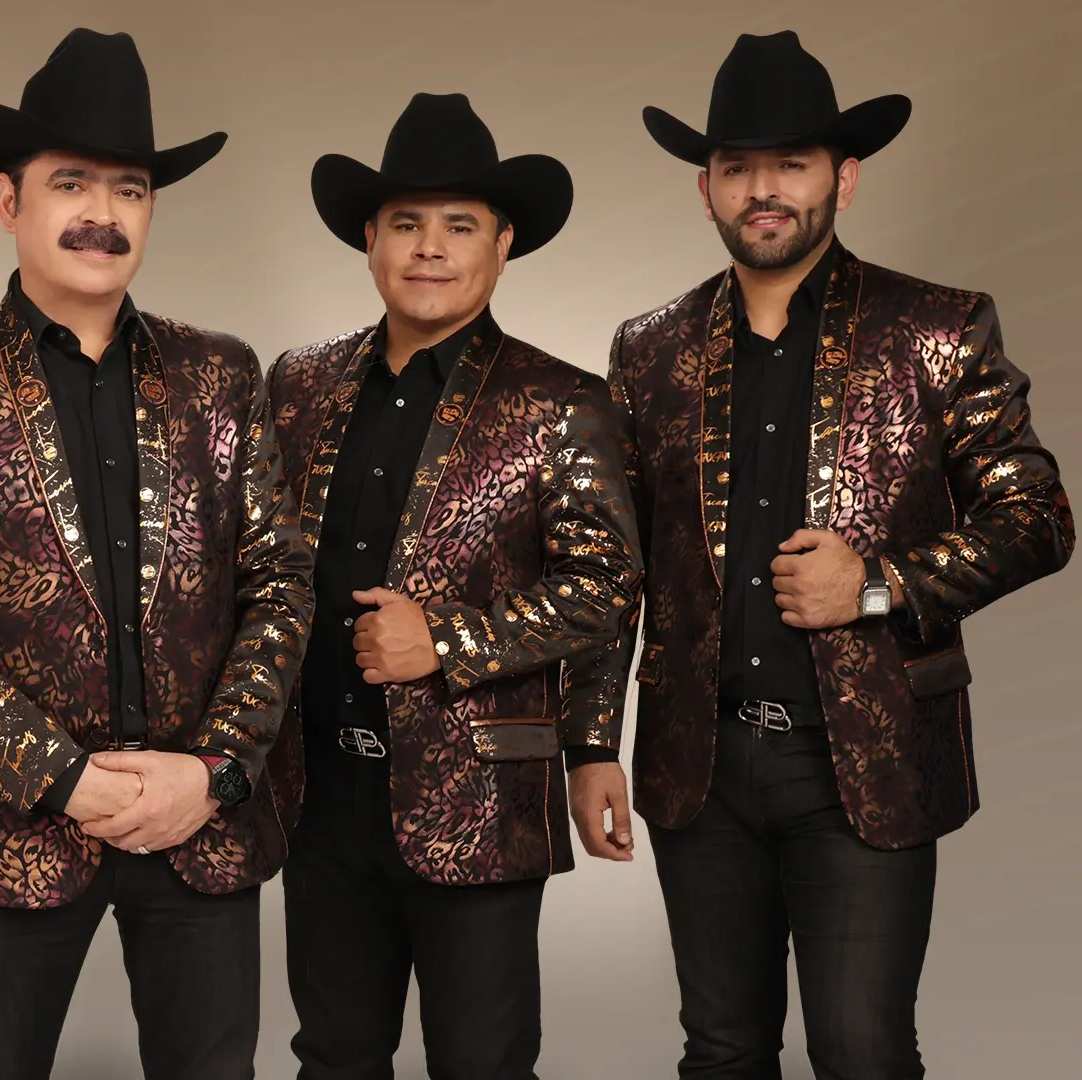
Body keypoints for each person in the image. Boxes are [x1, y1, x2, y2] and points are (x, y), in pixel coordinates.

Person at [594, 29, 1073, 1079]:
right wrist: (593, 745)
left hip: (865, 756)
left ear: (843, 179)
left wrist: (878, 584)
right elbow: (613, 566)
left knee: (861, 1048)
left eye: (793, 163)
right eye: (737, 167)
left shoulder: (938, 328)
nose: (764, 189)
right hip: (700, 766)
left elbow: (1038, 516)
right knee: (722, 1051)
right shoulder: (651, 348)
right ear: (706, 190)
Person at [0, 27, 316, 1080]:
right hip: (13, 827)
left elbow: (281, 584)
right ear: (9, 200)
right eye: (72, 184)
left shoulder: (221, 375)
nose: (102, 215)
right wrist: (59, 776)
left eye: (130, 190)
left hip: (198, 824)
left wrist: (214, 771)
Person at [268, 91, 642, 1080]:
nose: (430, 247)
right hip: (318, 793)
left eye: (459, 225)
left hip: (477, 796)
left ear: (503, 242)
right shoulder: (298, 385)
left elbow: (606, 585)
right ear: (370, 238)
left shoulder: (562, 402)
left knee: (482, 1060)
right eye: (407, 224)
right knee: (333, 1055)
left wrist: (451, 641)